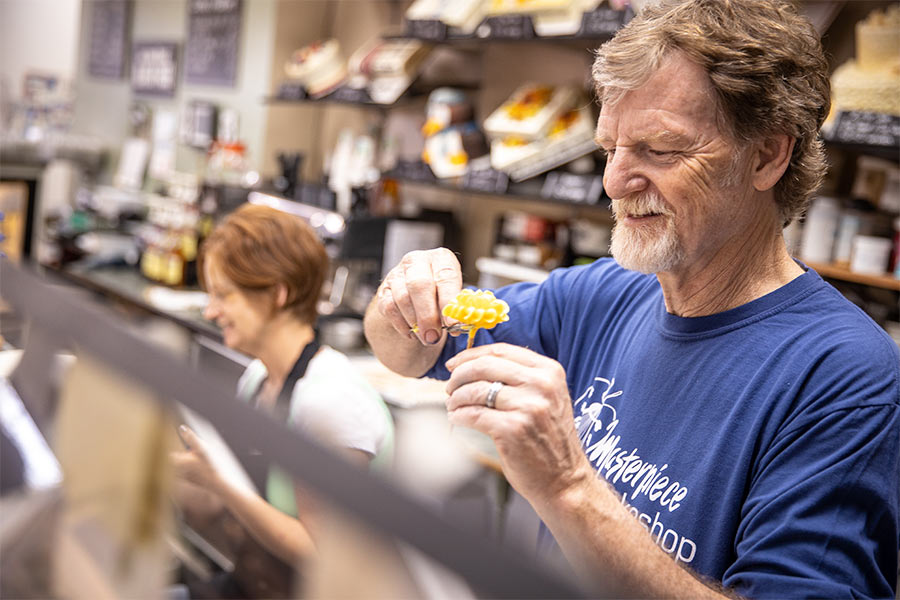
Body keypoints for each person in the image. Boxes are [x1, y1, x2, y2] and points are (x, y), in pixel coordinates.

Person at [363, 0, 900, 597]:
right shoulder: (603, 295)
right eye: (610, 149)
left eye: (661, 150)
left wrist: (569, 487)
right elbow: (407, 354)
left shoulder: (845, 377)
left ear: (768, 155)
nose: (615, 182)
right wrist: (402, 298)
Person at [173, 203, 394, 587]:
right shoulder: (259, 379)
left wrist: (219, 481)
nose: (210, 311)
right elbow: (236, 508)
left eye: (224, 295)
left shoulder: (328, 402)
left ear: (278, 293)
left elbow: (322, 553)